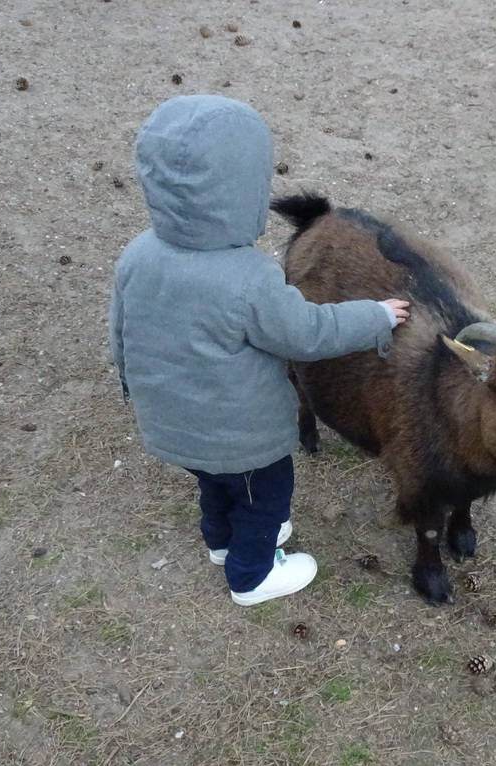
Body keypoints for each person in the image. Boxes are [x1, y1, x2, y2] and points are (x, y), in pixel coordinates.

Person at [108, 95, 409, 606]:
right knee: (263, 498)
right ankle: (250, 574)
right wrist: (375, 316)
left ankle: (221, 544)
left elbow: (120, 330)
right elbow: (307, 333)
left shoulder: (136, 254)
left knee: (212, 483)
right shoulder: (249, 279)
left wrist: (129, 384)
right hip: (240, 436)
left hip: (170, 423)